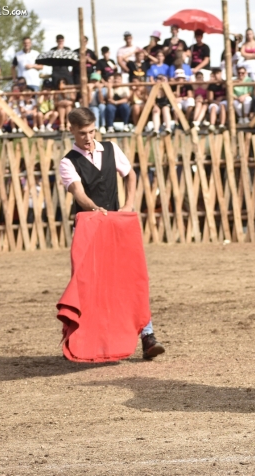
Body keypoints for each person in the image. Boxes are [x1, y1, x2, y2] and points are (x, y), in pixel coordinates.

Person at [60, 107, 164, 360]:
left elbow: (130, 175)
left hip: (116, 226)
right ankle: (81, 340)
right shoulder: (67, 162)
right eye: (83, 132)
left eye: (92, 131)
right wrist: (95, 208)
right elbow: (78, 192)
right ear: (71, 130)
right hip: (90, 228)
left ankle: (148, 336)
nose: (88, 137)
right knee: (87, 284)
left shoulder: (111, 149)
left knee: (131, 280)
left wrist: (128, 205)